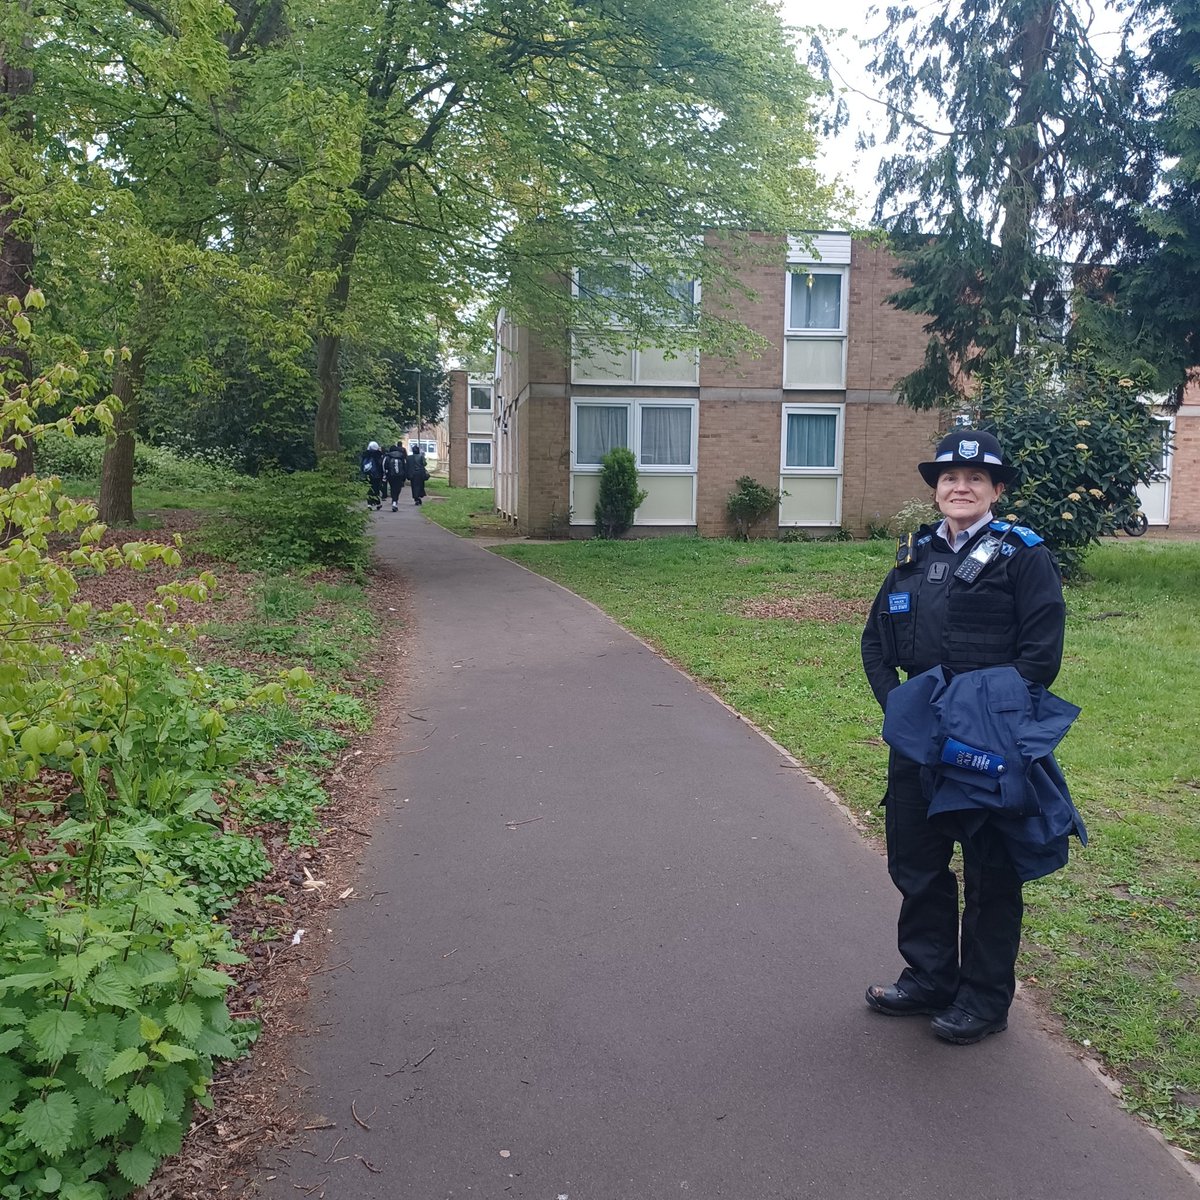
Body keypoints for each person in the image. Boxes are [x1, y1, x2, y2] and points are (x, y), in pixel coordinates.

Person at [859, 429, 1067, 1045]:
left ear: (997, 489)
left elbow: (1040, 659)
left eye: (976, 478)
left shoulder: (1024, 554)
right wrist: (904, 714)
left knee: (990, 871)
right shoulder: (915, 556)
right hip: (919, 744)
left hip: (988, 746)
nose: (961, 486)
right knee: (917, 863)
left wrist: (983, 724)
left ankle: (983, 997)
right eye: (949, 477)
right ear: (935, 490)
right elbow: (876, 644)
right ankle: (930, 978)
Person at [361, 441, 385, 510]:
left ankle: (369, 504)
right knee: (376, 489)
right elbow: (380, 465)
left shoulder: (365, 454)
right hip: (376, 476)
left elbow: (362, 465)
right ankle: (378, 503)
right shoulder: (378, 455)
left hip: (367, 475)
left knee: (369, 489)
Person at [383, 442, 408, 511]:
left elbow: (384, 466)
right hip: (400, 475)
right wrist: (404, 476)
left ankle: (394, 500)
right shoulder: (401, 456)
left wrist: (385, 474)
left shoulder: (388, 456)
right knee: (397, 488)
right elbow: (404, 466)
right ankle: (395, 501)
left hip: (391, 475)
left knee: (392, 487)